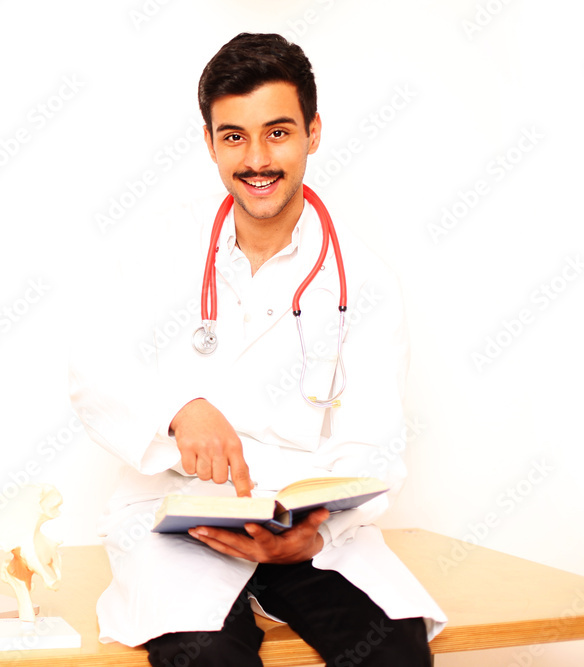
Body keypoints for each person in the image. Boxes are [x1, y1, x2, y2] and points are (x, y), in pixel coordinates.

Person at [69, 33, 447, 666]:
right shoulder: (159, 247)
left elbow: (374, 443)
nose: (257, 159)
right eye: (234, 136)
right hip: (181, 518)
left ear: (312, 133)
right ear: (211, 142)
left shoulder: (365, 281)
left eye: (277, 132)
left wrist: (313, 533)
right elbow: (93, 369)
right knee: (208, 658)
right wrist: (178, 411)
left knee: (396, 653)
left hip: (308, 531)